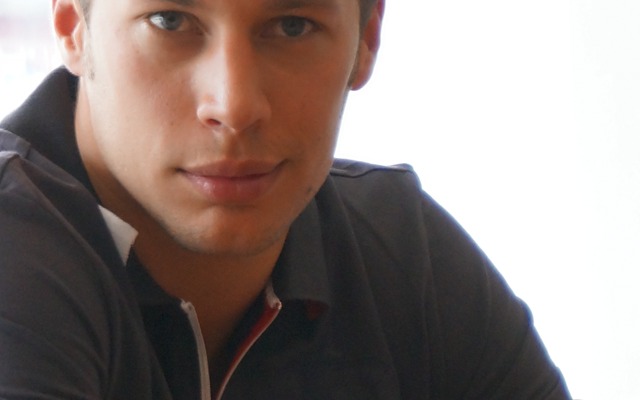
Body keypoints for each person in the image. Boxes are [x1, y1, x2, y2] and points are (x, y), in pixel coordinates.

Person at [0, 0, 571, 398]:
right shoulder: (14, 245)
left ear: (367, 39)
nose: (234, 105)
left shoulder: (402, 255)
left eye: (293, 26)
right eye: (170, 21)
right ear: (72, 25)